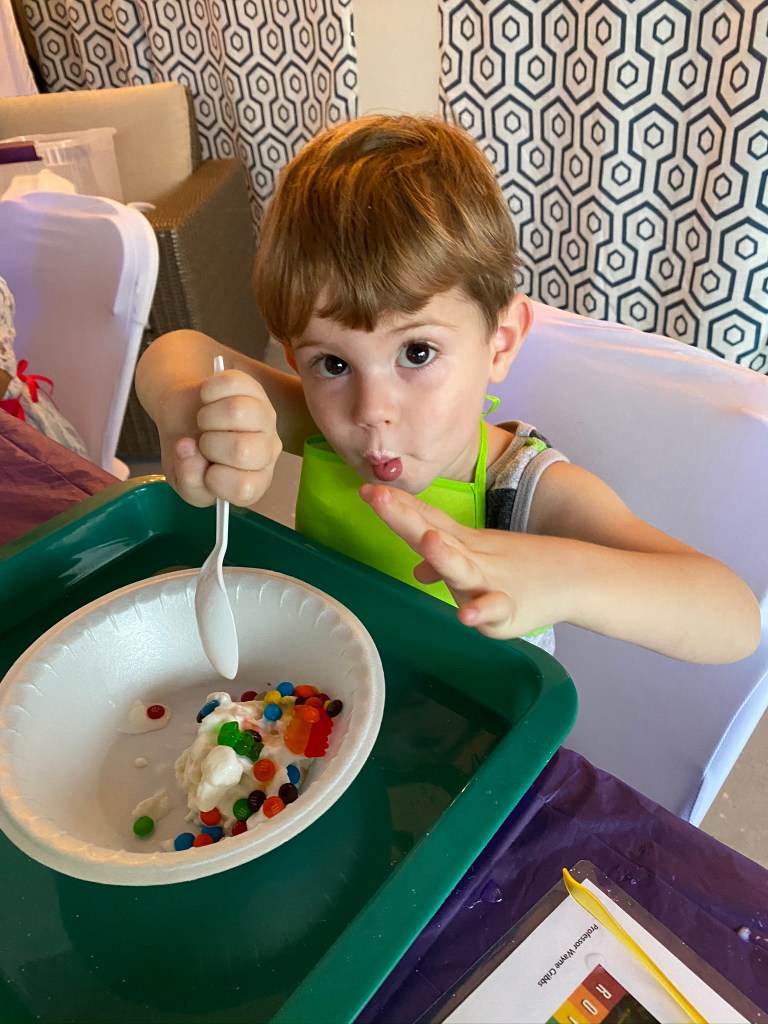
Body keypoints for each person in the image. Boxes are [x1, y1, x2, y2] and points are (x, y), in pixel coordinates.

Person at [135, 114, 759, 664]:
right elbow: (179, 351)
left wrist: (568, 576)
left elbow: (731, 618)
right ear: (295, 358)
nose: (372, 413)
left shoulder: (524, 490)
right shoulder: (319, 418)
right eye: (332, 363)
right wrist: (191, 407)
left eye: (417, 352)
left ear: (501, 341)